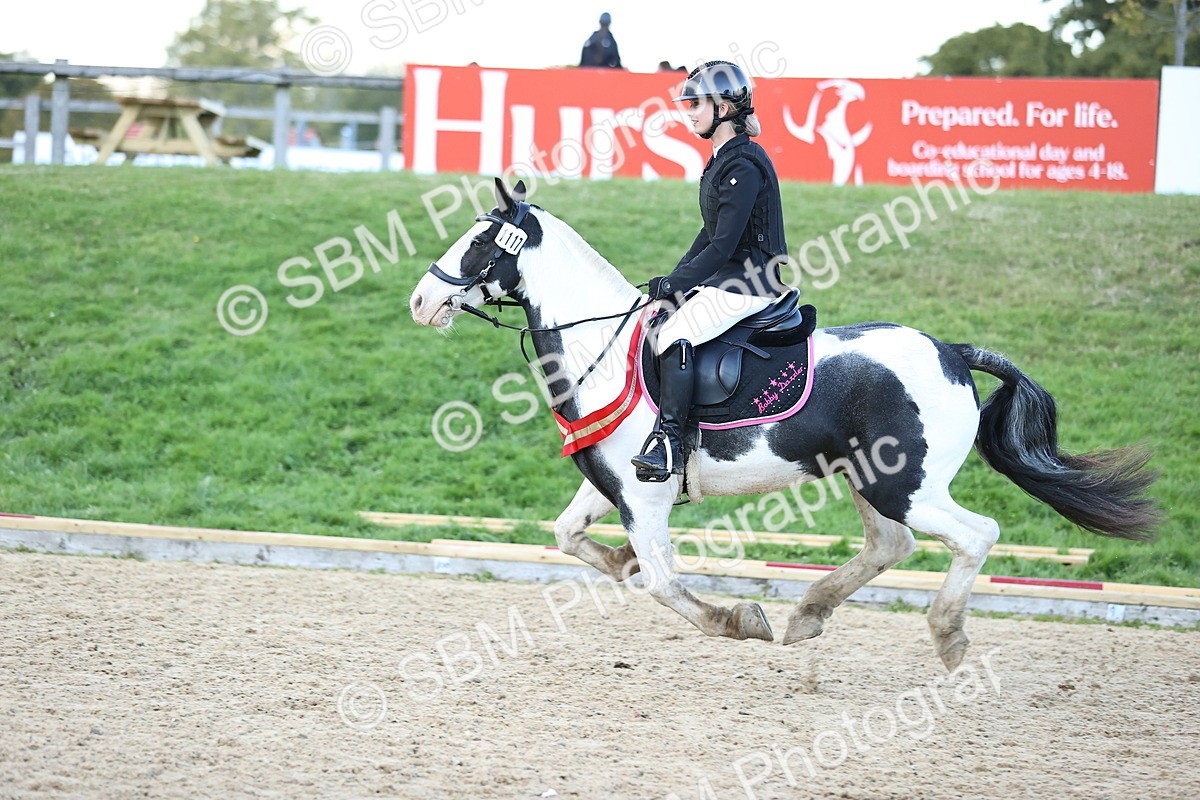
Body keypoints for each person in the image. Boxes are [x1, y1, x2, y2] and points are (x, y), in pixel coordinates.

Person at [631, 60, 790, 482]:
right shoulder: (723, 158)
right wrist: (672, 280)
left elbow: (723, 246)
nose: (690, 113)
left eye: (696, 105)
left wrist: (679, 284)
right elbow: (711, 232)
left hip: (751, 282)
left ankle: (669, 442)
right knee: (664, 317)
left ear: (723, 108)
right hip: (731, 279)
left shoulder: (742, 163)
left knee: (675, 333)